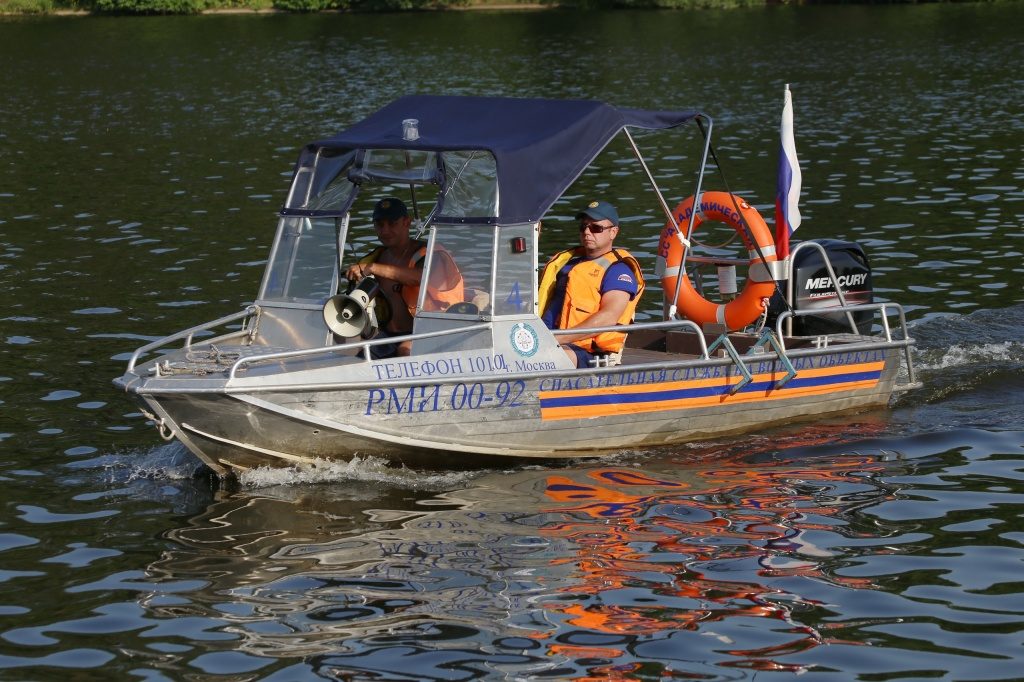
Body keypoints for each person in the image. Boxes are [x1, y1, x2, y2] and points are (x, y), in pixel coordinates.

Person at [345, 198, 463, 358]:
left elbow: (419, 278)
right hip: (386, 335)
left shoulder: (433, 254)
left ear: (407, 222)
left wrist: (372, 268)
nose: (385, 231)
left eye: (392, 223)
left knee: (404, 350)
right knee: (349, 348)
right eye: (380, 224)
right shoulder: (377, 257)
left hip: (431, 332)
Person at [538, 200, 645, 368]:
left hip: (588, 352)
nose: (587, 232)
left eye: (596, 228)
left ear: (613, 232)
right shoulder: (569, 266)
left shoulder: (618, 272)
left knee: (544, 358)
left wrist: (557, 339)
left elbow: (609, 317)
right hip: (547, 340)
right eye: (583, 227)